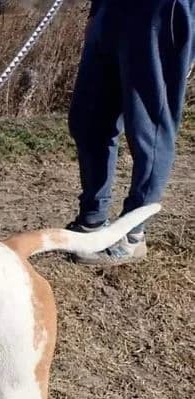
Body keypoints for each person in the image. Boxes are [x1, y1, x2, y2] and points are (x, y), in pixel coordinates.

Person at [67, 0, 194, 265]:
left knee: (150, 129)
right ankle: (93, 219)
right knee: (88, 119)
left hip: (163, 11)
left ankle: (132, 235)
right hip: (112, 10)